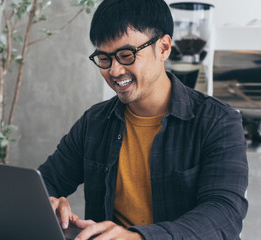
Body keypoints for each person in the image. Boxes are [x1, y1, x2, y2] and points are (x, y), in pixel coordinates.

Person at [38, 0, 248, 239]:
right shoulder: (95, 122)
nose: (115, 71)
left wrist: (139, 237)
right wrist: (49, 203)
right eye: (104, 58)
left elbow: (224, 214)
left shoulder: (218, 121)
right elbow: (45, 182)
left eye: (126, 55)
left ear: (163, 48)